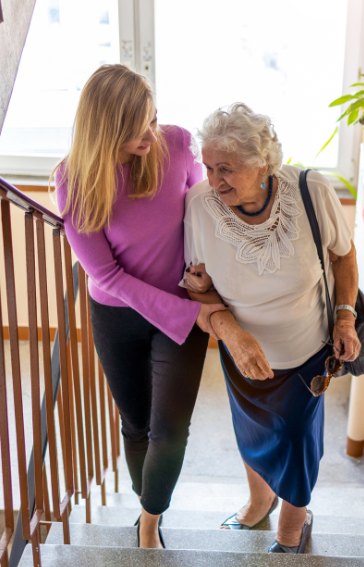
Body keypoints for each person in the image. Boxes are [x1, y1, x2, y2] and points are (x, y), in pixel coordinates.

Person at [53, 64, 226, 550]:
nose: (152, 133)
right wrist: (192, 315)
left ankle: (149, 522)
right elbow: (105, 275)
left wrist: (204, 278)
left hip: (180, 306)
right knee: (136, 425)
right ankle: (147, 499)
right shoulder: (74, 181)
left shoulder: (174, 143)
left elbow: (202, 207)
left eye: (153, 119)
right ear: (107, 129)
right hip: (118, 315)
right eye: (138, 128)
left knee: (170, 430)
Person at [182, 103, 361, 554]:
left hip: (308, 354)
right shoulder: (200, 206)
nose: (214, 179)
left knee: (299, 440)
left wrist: (344, 316)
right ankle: (260, 500)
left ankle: (291, 526)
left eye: (227, 168)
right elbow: (198, 286)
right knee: (254, 433)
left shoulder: (310, 190)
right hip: (241, 353)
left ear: (263, 163)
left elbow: (343, 256)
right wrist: (229, 330)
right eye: (208, 167)